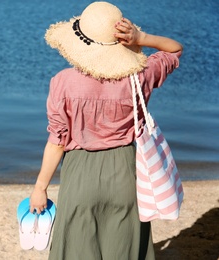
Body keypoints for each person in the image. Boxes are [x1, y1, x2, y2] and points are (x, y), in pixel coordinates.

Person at [29, 1, 183, 259]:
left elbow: (57, 140)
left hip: (80, 175)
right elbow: (175, 50)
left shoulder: (63, 82)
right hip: (125, 171)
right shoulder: (140, 76)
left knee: (76, 250)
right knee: (124, 250)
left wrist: (40, 187)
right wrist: (141, 37)